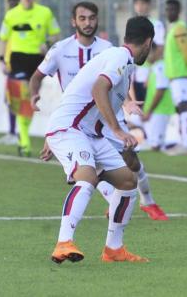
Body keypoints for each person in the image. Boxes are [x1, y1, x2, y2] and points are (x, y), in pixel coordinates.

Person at [29, 1, 168, 221]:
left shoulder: (110, 49)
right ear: (73, 21)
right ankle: (107, 212)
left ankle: (144, 203)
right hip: (78, 120)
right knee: (90, 172)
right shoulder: (60, 49)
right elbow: (38, 77)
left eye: (92, 18)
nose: (87, 22)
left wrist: (128, 102)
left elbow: (118, 80)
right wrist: (34, 96)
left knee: (130, 162)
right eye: (82, 18)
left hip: (105, 116)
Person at [46, 16, 154, 264]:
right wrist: (117, 130)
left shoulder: (124, 63)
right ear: (148, 42)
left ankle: (113, 249)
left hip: (86, 132)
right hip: (70, 128)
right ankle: (63, 243)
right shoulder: (119, 57)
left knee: (128, 181)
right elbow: (98, 89)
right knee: (87, 177)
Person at [0, 0, 60, 157]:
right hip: (17, 58)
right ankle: (24, 140)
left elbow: (56, 35)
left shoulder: (45, 12)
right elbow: (2, 39)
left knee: (31, 99)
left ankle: (22, 135)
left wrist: (47, 44)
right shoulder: (11, 15)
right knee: (23, 97)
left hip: (37, 59)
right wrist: (1, 59)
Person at [163, 0, 187, 155]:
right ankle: (185, 141)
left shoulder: (179, 29)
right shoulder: (173, 28)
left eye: (173, 10)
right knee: (180, 109)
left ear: (179, 11)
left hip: (182, 76)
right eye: (168, 9)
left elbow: (186, 53)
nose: (170, 12)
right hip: (175, 77)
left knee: (184, 107)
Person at [130, 0, 166, 121]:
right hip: (135, 74)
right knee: (135, 115)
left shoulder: (156, 24)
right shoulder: (132, 24)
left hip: (148, 74)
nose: (140, 7)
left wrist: (151, 71)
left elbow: (159, 49)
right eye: (138, 4)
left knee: (148, 114)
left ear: (149, 6)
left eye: (143, 4)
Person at [0, 0, 20, 146]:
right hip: (11, 66)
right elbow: (3, 42)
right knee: (9, 100)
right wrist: (2, 60)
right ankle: (12, 132)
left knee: (16, 100)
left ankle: (16, 134)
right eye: (10, 4)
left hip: (20, 66)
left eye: (14, 4)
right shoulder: (9, 21)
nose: (12, 7)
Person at [141, 43, 175, 151]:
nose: (146, 57)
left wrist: (149, 111)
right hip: (154, 111)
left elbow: (160, 90)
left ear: (155, 51)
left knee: (156, 146)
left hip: (160, 110)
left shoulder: (160, 66)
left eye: (148, 53)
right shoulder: (154, 67)